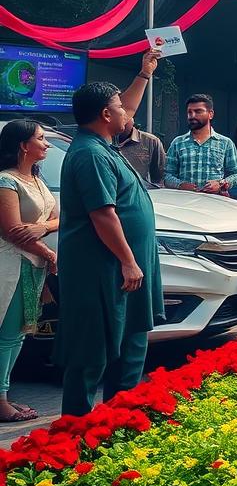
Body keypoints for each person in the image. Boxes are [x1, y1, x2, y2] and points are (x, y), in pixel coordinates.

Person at [56, 51, 165, 417]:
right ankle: (77, 429)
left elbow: (127, 108)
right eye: (118, 107)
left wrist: (145, 73)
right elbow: (103, 216)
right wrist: (130, 262)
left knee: (129, 344)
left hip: (120, 272)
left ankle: (119, 420)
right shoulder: (90, 154)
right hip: (105, 270)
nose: (125, 113)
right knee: (92, 351)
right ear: (105, 115)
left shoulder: (102, 144)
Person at [0, 121, 58, 423]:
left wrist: (41, 228)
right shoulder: (6, 181)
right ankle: (1, 399)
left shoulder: (36, 179)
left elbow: (56, 218)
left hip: (32, 265)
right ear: (24, 145)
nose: (46, 144)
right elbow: (12, 231)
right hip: (11, 265)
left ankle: (4, 396)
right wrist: (47, 251)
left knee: (19, 334)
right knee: (7, 335)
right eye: (41, 138)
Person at [164, 94, 237, 196]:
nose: (192, 116)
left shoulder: (225, 143)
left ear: (211, 114)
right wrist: (181, 185)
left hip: (215, 203)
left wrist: (221, 184)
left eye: (198, 111)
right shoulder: (178, 143)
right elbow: (167, 176)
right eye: (189, 112)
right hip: (184, 204)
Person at [114, 117, 166, 187]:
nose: (123, 120)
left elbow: (160, 180)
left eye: (126, 116)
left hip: (141, 192)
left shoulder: (150, 141)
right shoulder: (99, 142)